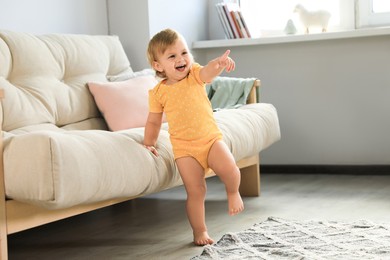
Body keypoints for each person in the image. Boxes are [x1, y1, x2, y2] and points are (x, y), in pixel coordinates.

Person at [143, 28, 244, 246]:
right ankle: (200, 231)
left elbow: (208, 72)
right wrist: (148, 143)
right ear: (158, 66)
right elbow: (153, 121)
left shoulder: (194, 75)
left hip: (210, 140)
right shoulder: (158, 93)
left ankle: (233, 191)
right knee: (195, 191)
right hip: (184, 150)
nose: (181, 59)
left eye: (184, 53)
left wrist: (218, 64)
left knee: (230, 169)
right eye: (172, 56)